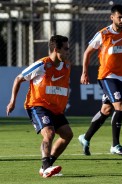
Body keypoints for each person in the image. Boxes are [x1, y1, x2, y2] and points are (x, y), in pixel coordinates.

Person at [78, 4, 122, 156]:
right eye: (119, 17)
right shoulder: (104, 34)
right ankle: (115, 145)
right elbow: (87, 52)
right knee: (120, 106)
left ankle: (85, 138)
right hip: (107, 76)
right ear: (112, 17)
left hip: (120, 76)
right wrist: (84, 72)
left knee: (106, 110)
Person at [6, 35, 73, 178]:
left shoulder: (67, 65)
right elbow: (18, 78)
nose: (68, 52)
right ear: (56, 49)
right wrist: (12, 101)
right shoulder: (42, 65)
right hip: (38, 105)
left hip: (56, 108)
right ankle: (47, 167)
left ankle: (46, 166)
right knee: (49, 133)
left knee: (67, 135)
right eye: (66, 49)